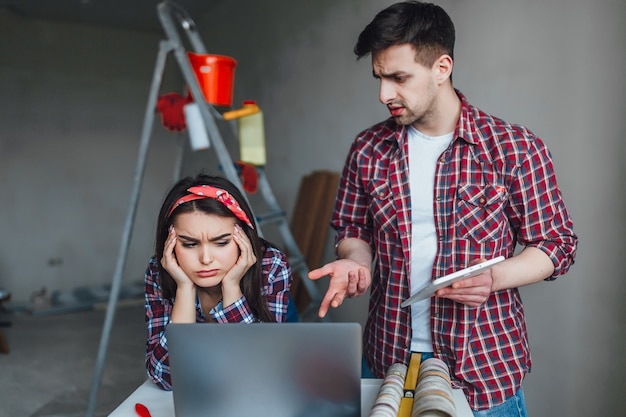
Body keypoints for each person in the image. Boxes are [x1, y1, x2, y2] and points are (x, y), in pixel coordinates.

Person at [308, 1, 578, 415]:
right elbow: (352, 230)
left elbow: (556, 244)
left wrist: (494, 277)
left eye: (399, 78)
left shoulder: (514, 148)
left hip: (483, 370)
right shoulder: (368, 150)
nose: (384, 94)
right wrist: (353, 260)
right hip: (386, 361)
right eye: (379, 78)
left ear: (442, 67)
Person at [144, 173, 293, 390]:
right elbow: (165, 378)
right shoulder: (160, 271)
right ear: (170, 242)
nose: (206, 259)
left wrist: (232, 288)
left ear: (243, 237)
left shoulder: (271, 266)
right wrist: (184, 289)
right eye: (189, 244)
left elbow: (261, 370)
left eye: (221, 243)